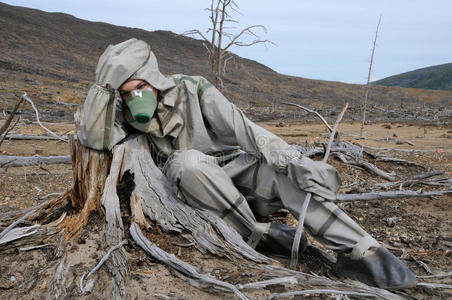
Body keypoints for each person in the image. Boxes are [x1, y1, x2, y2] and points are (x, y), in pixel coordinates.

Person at [78, 38, 416, 289]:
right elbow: (93, 141)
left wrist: (294, 161)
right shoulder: (119, 116)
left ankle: (364, 253)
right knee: (189, 163)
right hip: (194, 195)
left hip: (238, 172)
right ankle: (258, 236)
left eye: (140, 87)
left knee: (286, 177)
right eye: (125, 92)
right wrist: (103, 94)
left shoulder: (193, 90)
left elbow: (246, 130)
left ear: (153, 78)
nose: (135, 97)